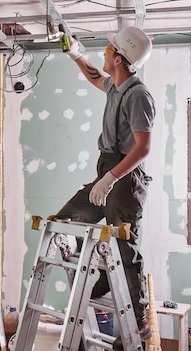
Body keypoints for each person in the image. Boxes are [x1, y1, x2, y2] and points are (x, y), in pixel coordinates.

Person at [56, 26, 155, 346]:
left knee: (124, 246)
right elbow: (95, 76)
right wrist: (74, 54)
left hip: (125, 178)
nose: (104, 51)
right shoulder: (116, 87)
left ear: (121, 58)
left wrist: (112, 179)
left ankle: (138, 320)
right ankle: (100, 283)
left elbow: (143, 148)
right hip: (106, 171)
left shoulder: (138, 95)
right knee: (64, 221)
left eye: (109, 49)